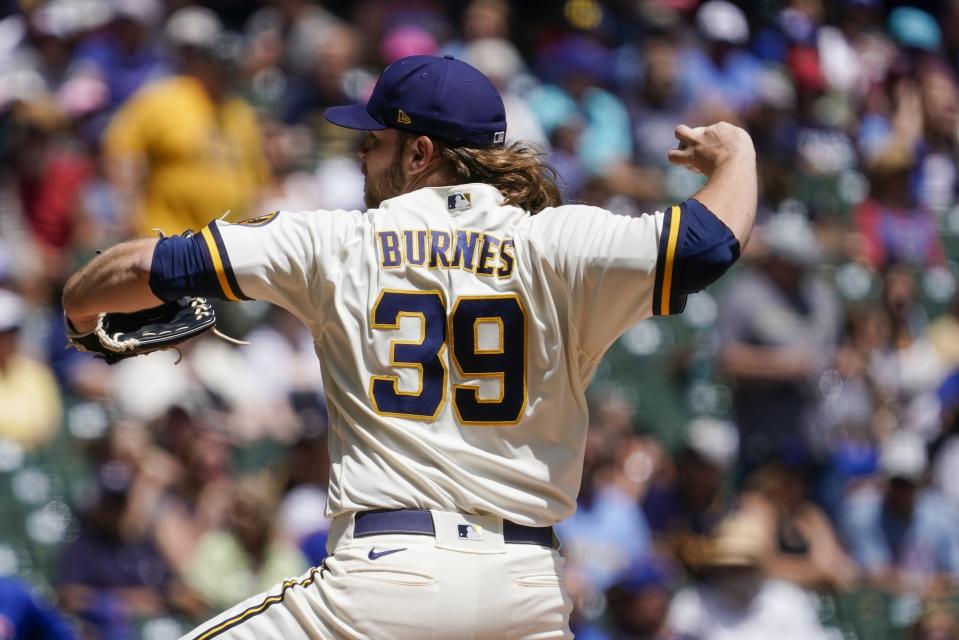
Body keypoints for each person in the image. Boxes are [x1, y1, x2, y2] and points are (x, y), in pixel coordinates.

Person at [62, 54, 756, 639]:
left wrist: (80, 310)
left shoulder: (332, 241)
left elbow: (140, 269)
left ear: (419, 153)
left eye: (373, 142)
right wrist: (737, 153)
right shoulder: (564, 243)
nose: (361, 156)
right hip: (527, 592)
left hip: (384, 581)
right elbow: (708, 243)